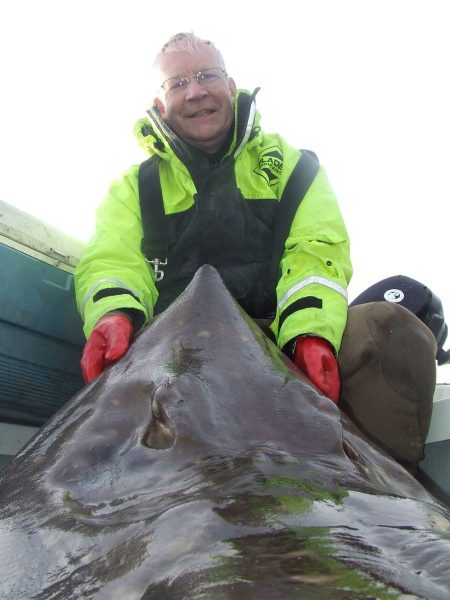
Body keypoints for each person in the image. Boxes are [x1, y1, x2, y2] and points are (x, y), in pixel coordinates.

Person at [74, 33, 438, 474]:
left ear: (230, 86)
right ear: (161, 101)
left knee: (391, 329)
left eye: (207, 75)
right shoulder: (134, 187)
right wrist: (115, 315)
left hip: (280, 336)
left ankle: (381, 487)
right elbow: (113, 260)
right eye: (178, 83)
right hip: (174, 352)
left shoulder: (294, 168)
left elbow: (316, 250)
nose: (195, 91)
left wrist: (310, 335)